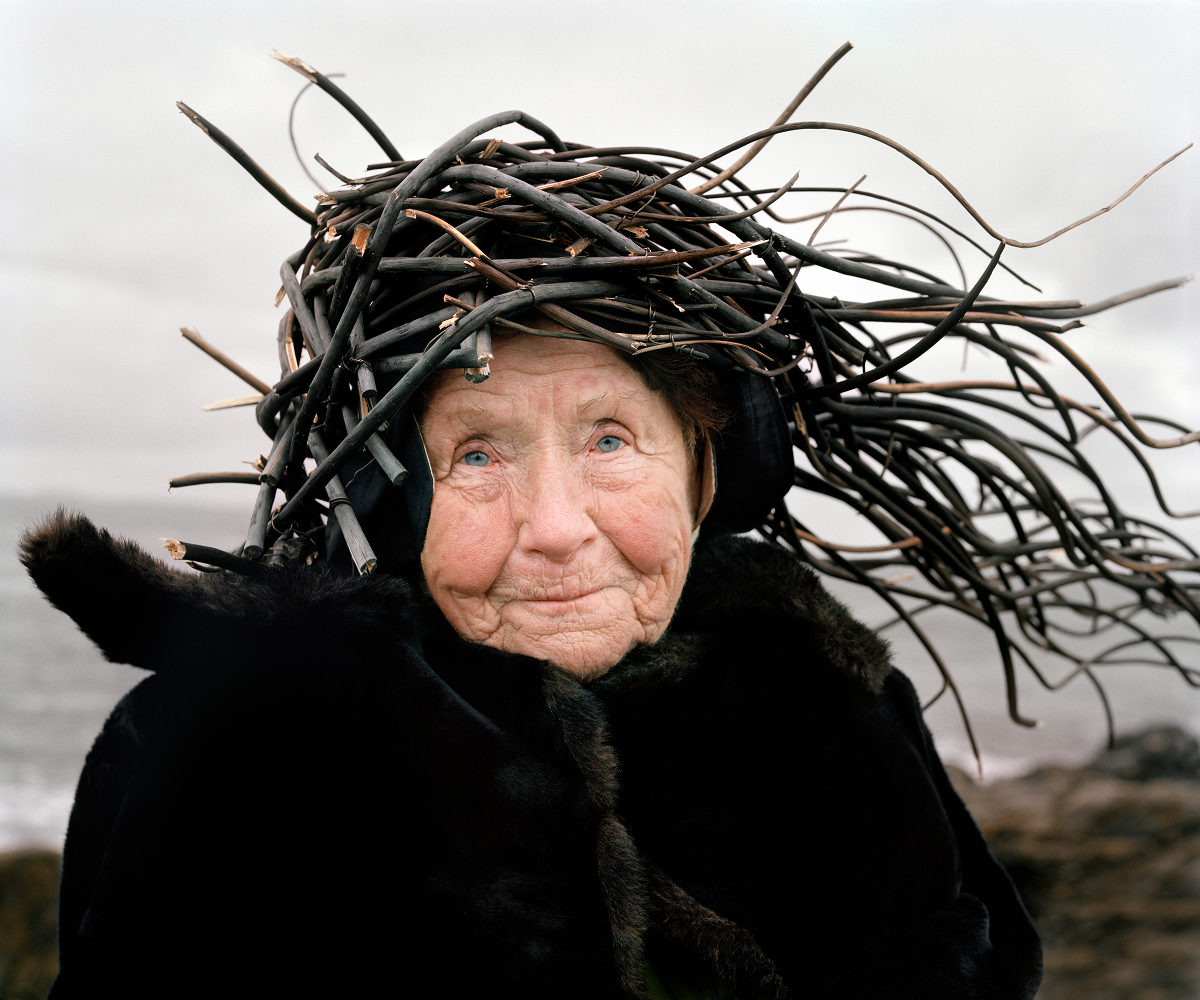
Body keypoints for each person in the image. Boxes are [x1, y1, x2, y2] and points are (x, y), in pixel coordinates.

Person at [21, 52, 1197, 997]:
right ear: (392, 494)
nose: (555, 528)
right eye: (477, 453)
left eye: (608, 440)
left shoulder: (822, 687)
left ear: (699, 462)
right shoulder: (220, 743)